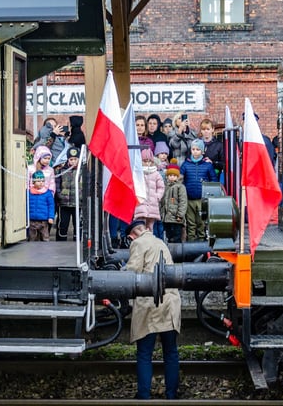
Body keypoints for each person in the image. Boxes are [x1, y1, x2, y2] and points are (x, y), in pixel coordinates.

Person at [124, 220, 181, 400]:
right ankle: (171, 394)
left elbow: (132, 273)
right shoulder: (160, 241)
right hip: (171, 302)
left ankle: (144, 395)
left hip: (150, 303)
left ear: (131, 235)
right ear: (146, 229)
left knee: (144, 353)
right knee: (171, 352)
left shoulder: (137, 243)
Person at [179, 139, 218, 241]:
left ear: (202, 151)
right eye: (193, 149)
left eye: (197, 149)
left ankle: (201, 239)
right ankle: (191, 239)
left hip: (202, 199)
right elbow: (180, 179)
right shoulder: (186, 164)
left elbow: (213, 180)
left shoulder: (208, 165)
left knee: (201, 222)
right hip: (189, 198)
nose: (195, 151)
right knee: (190, 221)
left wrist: (211, 196)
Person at [133, 148, 165, 233]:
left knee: (150, 227)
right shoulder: (138, 173)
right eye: (145, 161)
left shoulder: (156, 174)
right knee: (140, 226)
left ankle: (149, 243)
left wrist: (157, 197)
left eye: (149, 161)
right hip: (141, 203)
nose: (147, 163)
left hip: (152, 204)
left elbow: (161, 187)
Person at [55, 147, 80, 241]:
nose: (73, 161)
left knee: (77, 224)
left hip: (78, 203)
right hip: (64, 203)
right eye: (71, 159)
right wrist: (60, 195)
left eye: (75, 159)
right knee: (63, 224)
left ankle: (77, 242)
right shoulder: (61, 170)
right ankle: (61, 242)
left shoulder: (83, 170)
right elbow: (57, 184)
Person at [160, 163, 187, 243]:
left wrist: (180, 215)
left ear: (177, 177)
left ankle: (177, 254)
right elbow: (162, 201)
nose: (172, 177)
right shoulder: (165, 186)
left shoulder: (180, 187)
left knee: (177, 237)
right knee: (168, 236)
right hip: (166, 218)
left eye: (174, 175)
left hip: (176, 218)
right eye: (170, 175)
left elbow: (183, 202)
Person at [27, 170, 55, 241]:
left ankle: (45, 251)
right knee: (32, 238)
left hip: (43, 220)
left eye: (42, 181)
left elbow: (51, 205)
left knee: (45, 237)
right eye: (38, 181)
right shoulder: (29, 192)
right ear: (33, 182)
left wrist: (51, 217)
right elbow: (25, 204)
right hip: (31, 220)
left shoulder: (47, 193)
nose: (41, 183)